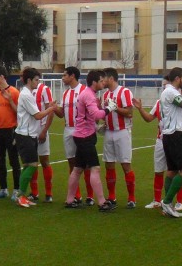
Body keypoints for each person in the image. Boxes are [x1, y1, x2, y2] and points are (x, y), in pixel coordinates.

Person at [132, 77, 182, 210]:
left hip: (174, 139)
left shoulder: (179, 102)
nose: (164, 88)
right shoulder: (159, 103)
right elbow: (149, 118)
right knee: (158, 171)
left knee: (178, 170)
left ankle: (178, 201)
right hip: (161, 141)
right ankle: (157, 200)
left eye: (166, 85)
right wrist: (140, 109)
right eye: (163, 85)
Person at [64, 69, 112, 211]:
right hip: (85, 137)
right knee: (95, 168)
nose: (103, 83)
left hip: (82, 135)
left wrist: (96, 128)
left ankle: (69, 200)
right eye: (101, 81)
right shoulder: (89, 95)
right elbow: (96, 115)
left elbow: (86, 117)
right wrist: (109, 108)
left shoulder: (87, 93)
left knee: (77, 169)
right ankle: (102, 202)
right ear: (94, 82)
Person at [13, 67, 60, 208]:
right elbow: (38, 115)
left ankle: (22, 196)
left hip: (28, 134)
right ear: (29, 80)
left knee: (28, 165)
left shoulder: (27, 93)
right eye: (36, 80)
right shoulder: (26, 95)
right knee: (32, 165)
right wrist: (51, 108)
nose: (37, 82)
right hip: (25, 135)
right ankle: (20, 195)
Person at [156, 67, 182, 219]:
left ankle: (168, 206)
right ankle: (167, 202)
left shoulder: (169, 92)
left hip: (169, 134)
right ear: (177, 79)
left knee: (172, 171)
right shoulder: (171, 92)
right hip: (174, 135)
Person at [100, 67, 137, 209]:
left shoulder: (124, 92)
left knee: (125, 164)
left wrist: (115, 108)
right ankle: (111, 197)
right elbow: (105, 114)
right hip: (109, 132)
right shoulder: (104, 95)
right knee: (109, 164)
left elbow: (129, 112)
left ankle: (131, 198)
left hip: (122, 132)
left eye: (104, 78)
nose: (102, 81)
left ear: (111, 78)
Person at [59, 66, 96, 204]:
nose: (62, 78)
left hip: (82, 130)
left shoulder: (85, 91)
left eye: (64, 75)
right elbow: (61, 113)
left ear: (72, 76)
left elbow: (92, 111)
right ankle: (77, 195)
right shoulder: (65, 93)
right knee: (72, 162)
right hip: (68, 129)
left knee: (86, 164)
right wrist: (53, 108)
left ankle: (90, 196)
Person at [0, 66, 21, 200]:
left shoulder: (14, 92)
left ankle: (17, 189)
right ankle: (3, 189)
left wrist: (10, 100)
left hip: (10, 130)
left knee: (14, 160)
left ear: (2, 77)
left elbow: (20, 112)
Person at [27, 76, 56, 202]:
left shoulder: (44, 89)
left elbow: (51, 111)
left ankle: (49, 193)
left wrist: (44, 130)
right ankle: (34, 193)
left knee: (44, 161)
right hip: (29, 131)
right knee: (31, 162)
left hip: (41, 129)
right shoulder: (25, 91)